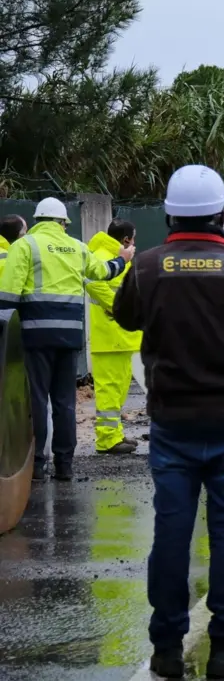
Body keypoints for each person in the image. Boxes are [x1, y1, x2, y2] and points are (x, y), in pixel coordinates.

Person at [113, 165, 224, 679]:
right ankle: (223, 650)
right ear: (223, 216)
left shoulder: (147, 268)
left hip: (173, 424)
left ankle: (167, 650)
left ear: (170, 216)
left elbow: (125, 317)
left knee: (171, 534)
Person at [0, 198, 134, 481]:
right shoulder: (77, 247)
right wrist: (123, 259)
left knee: (37, 399)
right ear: (63, 223)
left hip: (35, 335)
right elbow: (104, 272)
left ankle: (36, 465)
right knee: (65, 402)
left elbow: (7, 295)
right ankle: (65, 465)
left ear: (37, 221)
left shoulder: (25, 246)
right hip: (70, 335)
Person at [86, 219, 141, 455]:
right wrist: (117, 307)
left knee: (117, 390)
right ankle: (107, 439)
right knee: (109, 389)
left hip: (120, 335)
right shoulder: (101, 254)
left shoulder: (117, 256)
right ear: (127, 238)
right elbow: (92, 282)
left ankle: (114, 434)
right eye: (134, 238)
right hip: (110, 335)